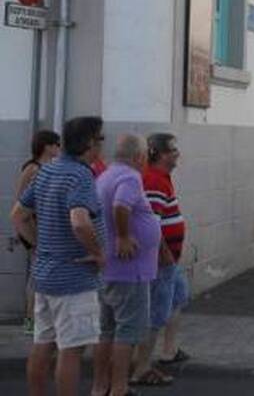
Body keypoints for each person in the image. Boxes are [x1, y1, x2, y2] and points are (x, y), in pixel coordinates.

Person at [10, 116, 106, 396]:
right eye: (100, 139)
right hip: (73, 279)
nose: (102, 145)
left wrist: (41, 245)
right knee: (71, 350)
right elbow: (80, 222)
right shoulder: (80, 175)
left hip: (46, 276)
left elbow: (18, 216)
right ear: (89, 142)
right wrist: (98, 253)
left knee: (43, 344)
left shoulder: (48, 171)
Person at [92, 134, 161, 396]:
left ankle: (100, 387)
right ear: (139, 156)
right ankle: (119, 388)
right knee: (127, 331)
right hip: (130, 270)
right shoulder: (130, 177)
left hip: (110, 267)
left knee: (106, 331)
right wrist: (123, 236)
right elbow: (121, 205)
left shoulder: (106, 175)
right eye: (146, 155)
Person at [133, 132, 190, 386]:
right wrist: (163, 253)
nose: (178, 154)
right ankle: (141, 367)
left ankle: (169, 350)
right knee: (156, 313)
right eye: (174, 150)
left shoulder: (162, 178)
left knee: (178, 296)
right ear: (161, 154)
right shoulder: (154, 180)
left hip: (169, 261)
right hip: (160, 261)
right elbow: (150, 224)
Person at [16, 130, 61, 334]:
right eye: (56, 144)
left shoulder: (46, 168)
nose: (59, 148)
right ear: (47, 146)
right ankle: (30, 320)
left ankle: (37, 318)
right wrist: (33, 236)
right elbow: (22, 203)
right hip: (33, 229)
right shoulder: (33, 168)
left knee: (39, 274)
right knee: (36, 275)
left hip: (42, 229)